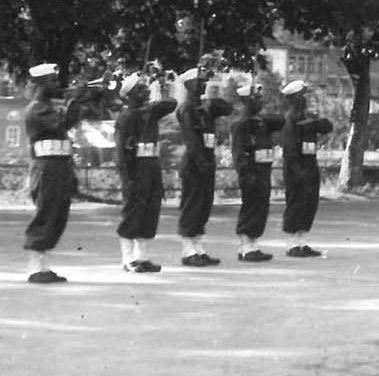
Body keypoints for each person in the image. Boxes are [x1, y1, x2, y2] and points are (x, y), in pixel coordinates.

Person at [22, 63, 103, 284]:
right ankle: (35, 266)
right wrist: (74, 100)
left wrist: (82, 99)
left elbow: (68, 121)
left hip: (59, 166)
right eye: (53, 81)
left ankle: (42, 265)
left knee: (58, 215)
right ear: (40, 83)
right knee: (47, 214)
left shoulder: (47, 106)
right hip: (46, 168)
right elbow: (59, 124)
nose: (57, 85)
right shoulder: (37, 108)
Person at [114, 69, 177, 273]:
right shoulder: (126, 118)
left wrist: (156, 95)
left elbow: (172, 104)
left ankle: (142, 257)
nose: (146, 91)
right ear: (131, 94)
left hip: (151, 165)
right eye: (141, 89)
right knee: (132, 212)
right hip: (136, 168)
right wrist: (128, 179)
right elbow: (121, 153)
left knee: (150, 210)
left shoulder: (150, 113)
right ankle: (128, 258)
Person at [176, 65, 234, 266]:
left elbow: (229, 108)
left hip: (207, 162)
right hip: (194, 163)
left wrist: (211, 104)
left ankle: (198, 245)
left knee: (204, 205)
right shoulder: (186, 109)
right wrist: (200, 161)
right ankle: (187, 249)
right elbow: (191, 140)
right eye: (199, 82)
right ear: (189, 85)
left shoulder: (205, 107)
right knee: (192, 205)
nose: (203, 85)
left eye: (204, 82)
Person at [280, 78, 333, 258]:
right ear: (295, 99)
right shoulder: (290, 120)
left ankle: (302, 241)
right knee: (296, 203)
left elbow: (327, 127)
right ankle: (291, 243)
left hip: (310, 164)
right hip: (296, 166)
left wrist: (315, 122)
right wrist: (296, 170)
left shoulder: (308, 118)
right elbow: (289, 150)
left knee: (309, 204)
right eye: (303, 96)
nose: (306, 100)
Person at [231, 81, 282, 261]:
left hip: (263, 171)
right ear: (246, 101)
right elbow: (238, 153)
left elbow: (281, 121)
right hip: (251, 172)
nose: (260, 102)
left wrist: (260, 119)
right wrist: (246, 174)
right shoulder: (241, 124)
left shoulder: (261, 123)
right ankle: (245, 246)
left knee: (261, 208)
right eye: (256, 99)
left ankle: (253, 244)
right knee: (251, 207)